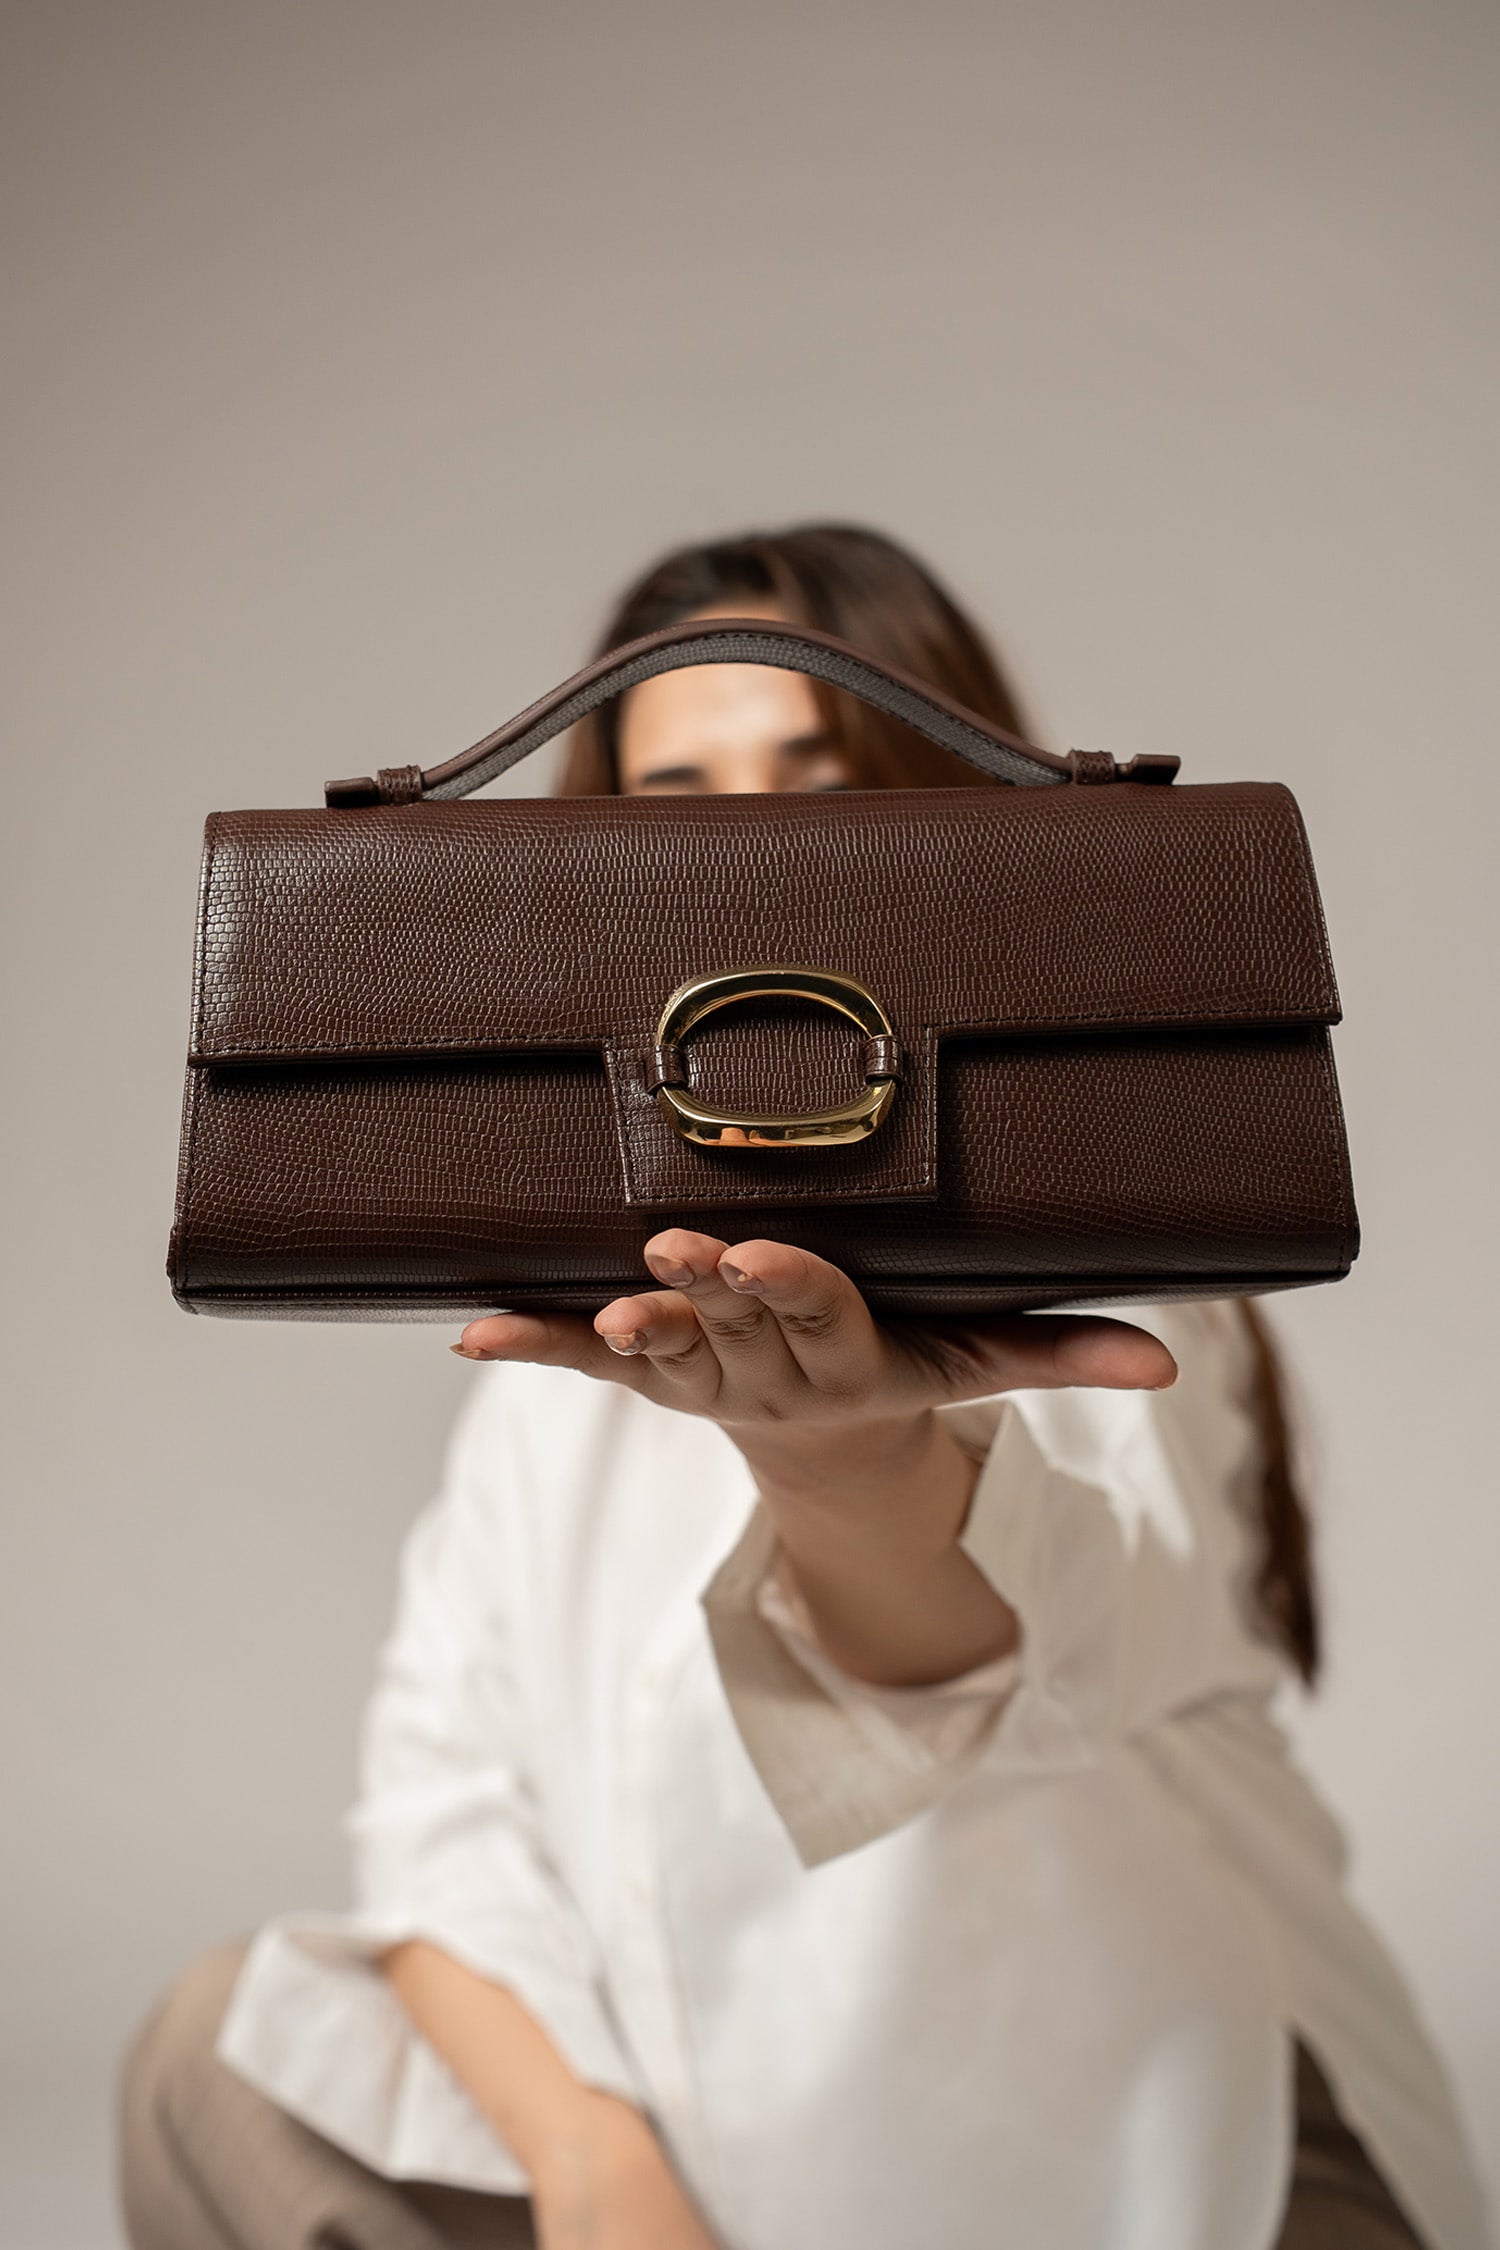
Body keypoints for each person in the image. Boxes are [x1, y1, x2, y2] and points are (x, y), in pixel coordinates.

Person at [116, 526, 1491, 2250]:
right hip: (704, 2163)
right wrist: (594, 2166)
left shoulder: (1119, 1286)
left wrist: (848, 1470)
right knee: (216, 2053)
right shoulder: (541, 1370)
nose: (746, 859)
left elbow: (1035, 1644)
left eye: (813, 791)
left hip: (1163, 2147)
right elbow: (442, 1819)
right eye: (678, 797)